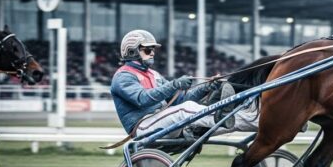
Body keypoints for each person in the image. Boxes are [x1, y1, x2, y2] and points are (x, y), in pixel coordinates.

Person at [110, 30, 258, 139]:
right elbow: (143, 99)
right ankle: (220, 116)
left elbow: (181, 99)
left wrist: (206, 87)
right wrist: (174, 84)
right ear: (132, 51)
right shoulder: (123, 76)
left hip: (163, 122)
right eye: (148, 50)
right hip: (143, 127)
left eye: (153, 49)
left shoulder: (154, 74)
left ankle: (257, 123)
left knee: (203, 119)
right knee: (185, 109)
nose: (153, 53)